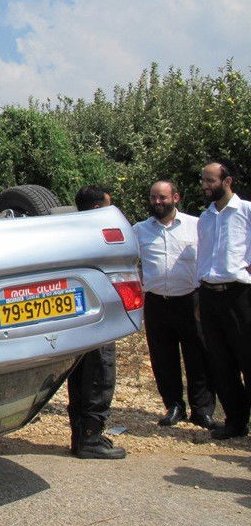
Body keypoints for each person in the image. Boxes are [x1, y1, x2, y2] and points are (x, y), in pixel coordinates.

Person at [133, 180, 217, 428]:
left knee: (199, 356)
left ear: (176, 198)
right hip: (157, 302)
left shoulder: (196, 225)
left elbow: (207, 258)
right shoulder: (139, 230)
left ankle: (202, 410)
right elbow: (132, 263)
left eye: (162, 197)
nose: (157, 202)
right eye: (153, 198)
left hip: (190, 299)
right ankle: (174, 406)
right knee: (163, 358)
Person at [67, 185, 126, 459]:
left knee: (79, 375)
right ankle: (90, 438)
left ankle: (80, 436)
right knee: (100, 372)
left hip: (76, 315)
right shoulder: (98, 235)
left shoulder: (68, 232)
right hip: (99, 314)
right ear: (98, 208)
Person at [196, 159, 251, 440]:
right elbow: (203, 256)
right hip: (209, 295)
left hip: (239, 295)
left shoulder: (246, 211)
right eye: (204, 180)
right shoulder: (205, 217)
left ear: (227, 181)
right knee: (220, 362)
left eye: (210, 180)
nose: (205, 186)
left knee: (247, 358)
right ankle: (235, 422)